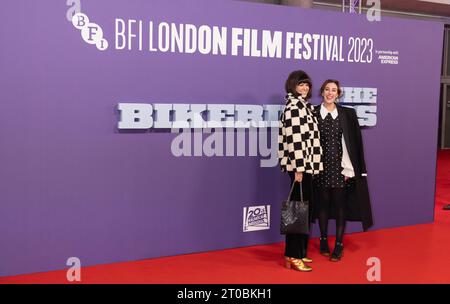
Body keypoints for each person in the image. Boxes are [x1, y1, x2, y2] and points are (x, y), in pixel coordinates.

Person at [313, 79, 373, 262]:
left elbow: (356, 143)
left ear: (338, 94)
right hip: (319, 168)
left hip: (340, 168)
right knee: (322, 205)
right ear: (322, 92)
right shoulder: (312, 113)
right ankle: (323, 239)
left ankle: (339, 244)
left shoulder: (347, 114)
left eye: (334, 90)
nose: (330, 93)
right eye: (327, 89)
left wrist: (357, 168)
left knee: (340, 206)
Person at [278, 70, 323, 271]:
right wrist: (298, 168)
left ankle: (300, 253)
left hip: (306, 166)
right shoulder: (294, 107)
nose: (305, 88)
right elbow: (295, 140)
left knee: (304, 210)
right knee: (297, 212)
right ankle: (292, 255)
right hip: (300, 166)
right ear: (293, 86)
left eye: (307, 85)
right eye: (301, 84)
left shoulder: (304, 106)